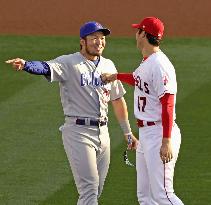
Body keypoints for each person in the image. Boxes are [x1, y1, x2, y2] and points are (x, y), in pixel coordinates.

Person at [5, 21, 138, 205]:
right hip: (78, 133)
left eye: (102, 38)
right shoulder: (69, 62)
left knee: (95, 191)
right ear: (82, 41)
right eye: (94, 38)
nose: (99, 42)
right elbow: (45, 67)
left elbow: (117, 100)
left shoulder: (109, 65)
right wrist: (26, 64)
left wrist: (127, 132)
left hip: (104, 133)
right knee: (89, 189)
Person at [101, 17, 184, 205]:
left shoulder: (160, 64)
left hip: (159, 134)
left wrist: (166, 141)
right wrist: (116, 76)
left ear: (144, 35)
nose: (135, 34)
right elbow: (139, 79)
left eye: (138, 30)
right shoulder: (148, 62)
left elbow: (168, 103)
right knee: (145, 197)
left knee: (163, 194)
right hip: (146, 134)